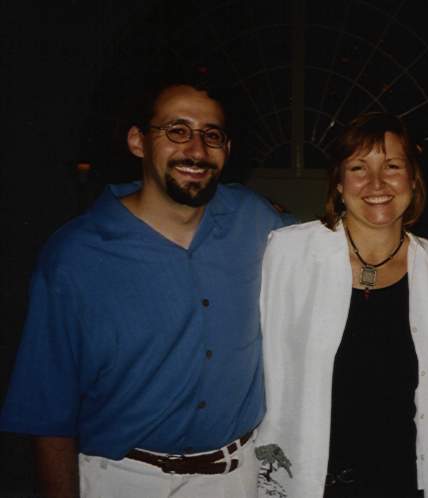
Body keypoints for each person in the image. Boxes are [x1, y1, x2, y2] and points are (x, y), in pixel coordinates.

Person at [0, 71, 286, 498]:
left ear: (226, 149)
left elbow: (331, 250)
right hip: (123, 479)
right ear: (138, 141)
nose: (196, 149)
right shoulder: (76, 256)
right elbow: (47, 411)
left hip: (235, 478)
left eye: (211, 135)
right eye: (177, 130)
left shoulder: (255, 219)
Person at [254, 113, 428, 498]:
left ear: (414, 179)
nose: (376, 183)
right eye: (359, 168)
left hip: (402, 482)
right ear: (338, 182)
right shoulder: (288, 254)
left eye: (392, 166)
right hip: (308, 483)